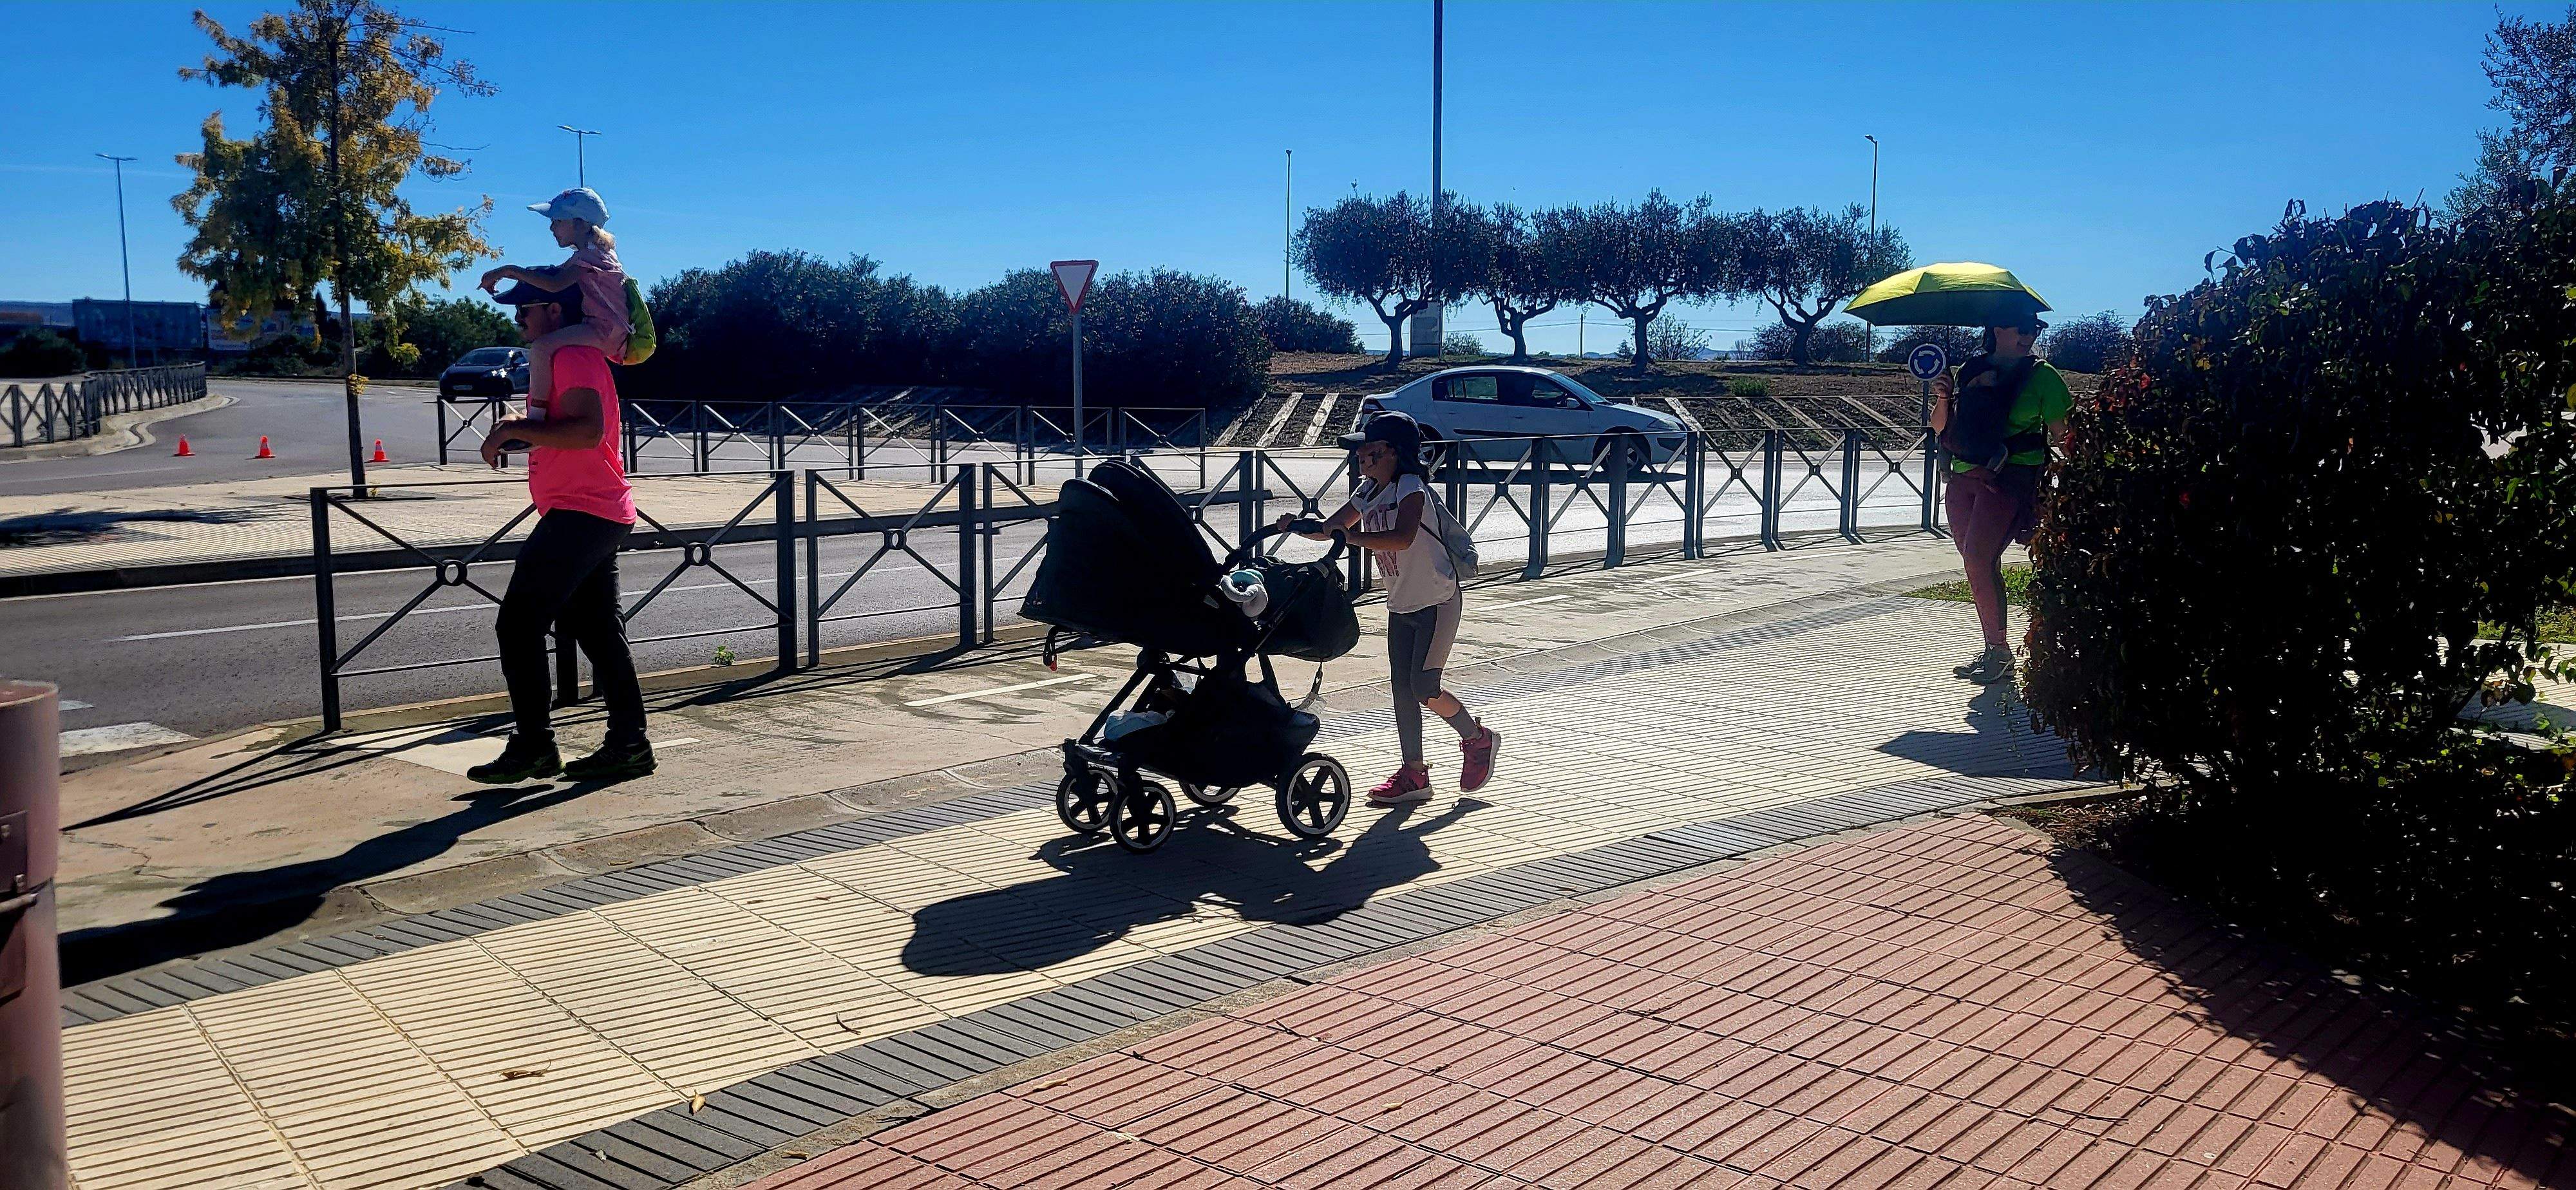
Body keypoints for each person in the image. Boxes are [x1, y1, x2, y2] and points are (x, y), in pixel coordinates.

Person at [465, 280, 654, 784]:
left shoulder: (571, 356)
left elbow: (587, 432)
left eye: (524, 310)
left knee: (518, 625)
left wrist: (513, 429)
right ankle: (630, 745)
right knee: (598, 631)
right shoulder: (566, 356)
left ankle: (535, 747)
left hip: (583, 512)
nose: (517, 321)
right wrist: (521, 428)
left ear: (554, 310)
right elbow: (568, 429)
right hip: (593, 509)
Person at [1285, 411, 1497, 804]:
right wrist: (1298, 526)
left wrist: (1352, 537)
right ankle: (1415, 775)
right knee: (1403, 691)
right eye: (1360, 451)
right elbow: (1332, 529)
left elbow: (1402, 538)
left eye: (1369, 450)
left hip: (1437, 601)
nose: (1361, 456)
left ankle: (1477, 738)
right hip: (1401, 603)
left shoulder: (1410, 486)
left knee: (1424, 687)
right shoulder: (1368, 492)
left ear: (1393, 452)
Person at [1931, 314, 2072, 685]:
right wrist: (1944, 396)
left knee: (1979, 558)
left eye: (2034, 330)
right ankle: (1994, 648)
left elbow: (2065, 436)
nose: (2030, 336)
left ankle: (1999, 652)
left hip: (2009, 479)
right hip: (1962, 477)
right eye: (2022, 328)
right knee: (1977, 562)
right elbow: (1942, 427)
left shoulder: (2044, 376)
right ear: (1998, 330)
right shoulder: (1970, 370)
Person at [478, 187, 630, 415]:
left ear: (581, 225)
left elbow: (554, 284)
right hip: (608, 330)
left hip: (603, 330)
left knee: (541, 348)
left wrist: (509, 271)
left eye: (558, 221)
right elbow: (554, 276)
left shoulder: (590, 257)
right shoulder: (596, 255)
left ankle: (536, 417)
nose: (551, 228)